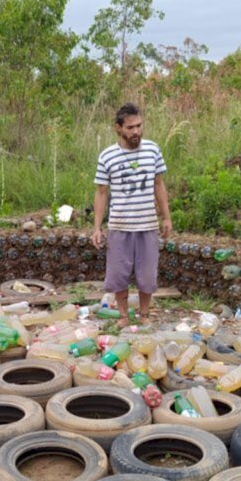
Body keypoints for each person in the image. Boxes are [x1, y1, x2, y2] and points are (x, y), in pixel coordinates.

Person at [91, 102, 173, 326]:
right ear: (118, 128)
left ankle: (144, 316)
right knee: (119, 274)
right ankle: (124, 317)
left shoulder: (152, 150)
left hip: (147, 225)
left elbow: (159, 184)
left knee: (147, 275)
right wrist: (97, 227)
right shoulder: (107, 156)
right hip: (119, 225)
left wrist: (166, 217)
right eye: (130, 127)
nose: (136, 131)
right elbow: (101, 192)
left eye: (139, 126)